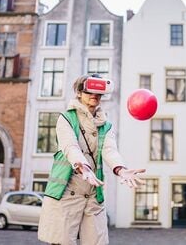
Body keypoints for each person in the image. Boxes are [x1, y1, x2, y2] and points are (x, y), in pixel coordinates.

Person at [38, 74, 145, 245]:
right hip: (65, 193)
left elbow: (110, 150)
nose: (94, 94)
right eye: (89, 90)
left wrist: (121, 169)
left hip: (93, 195)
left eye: (98, 91)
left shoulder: (106, 125)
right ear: (79, 93)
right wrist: (84, 168)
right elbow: (70, 146)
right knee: (61, 242)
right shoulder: (66, 118)